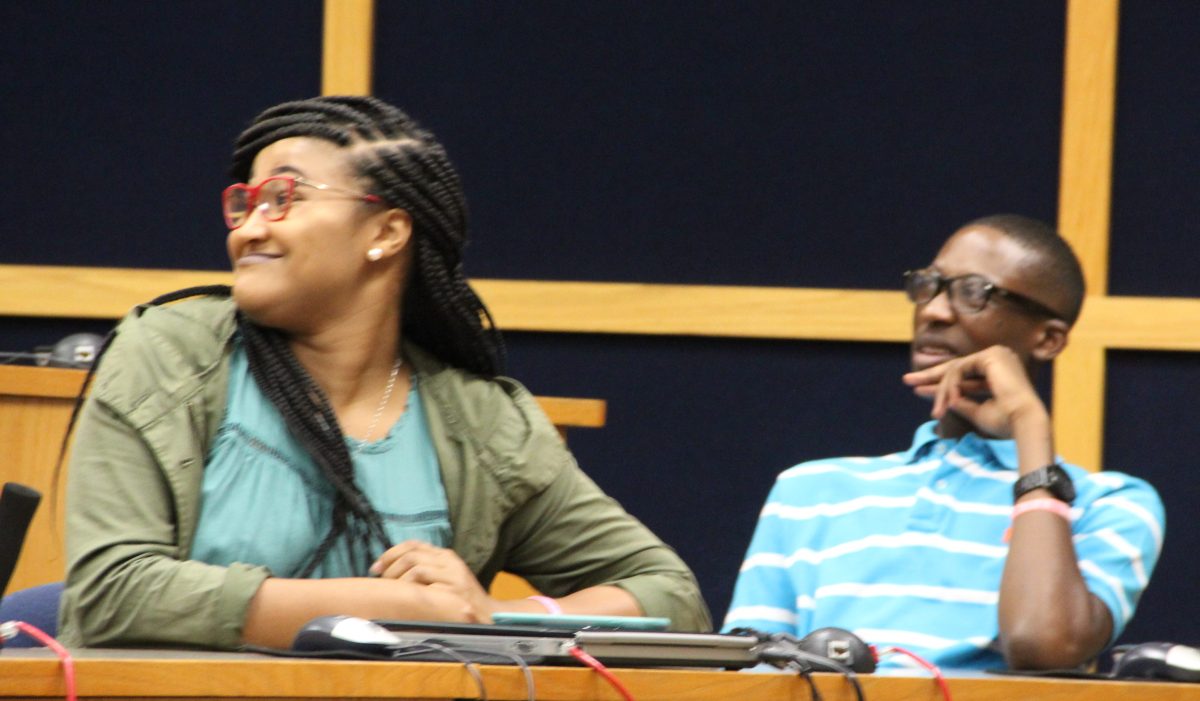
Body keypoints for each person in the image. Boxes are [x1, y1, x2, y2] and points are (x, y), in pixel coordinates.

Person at [59, 96, 710, 649]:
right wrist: (373, 608)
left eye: (282, 196)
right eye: (245, 202)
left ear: (387, 231)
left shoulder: (480, 422)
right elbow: (111, 592)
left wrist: (493, 619)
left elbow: (670, 596)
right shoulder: (172, 353)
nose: (249, 229)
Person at [723, 215, 1163, 670]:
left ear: (1048, 339)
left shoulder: (1111, 503)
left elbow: (1040, 644)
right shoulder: (810, 489)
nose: (933, 309)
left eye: (974, 293)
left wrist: (1030, 426)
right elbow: (745, 676)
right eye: (930, 285)